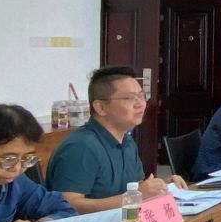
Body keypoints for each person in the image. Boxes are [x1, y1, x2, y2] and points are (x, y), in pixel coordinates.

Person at [43, 64, 183, 209]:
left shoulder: (127, 141)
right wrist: (134, 198)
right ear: (101, 107)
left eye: (141, 96)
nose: (141, 104)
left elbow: (133, 187)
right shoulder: (81, 147)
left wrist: (161, 187)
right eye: (130, 98)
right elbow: (68, 205)